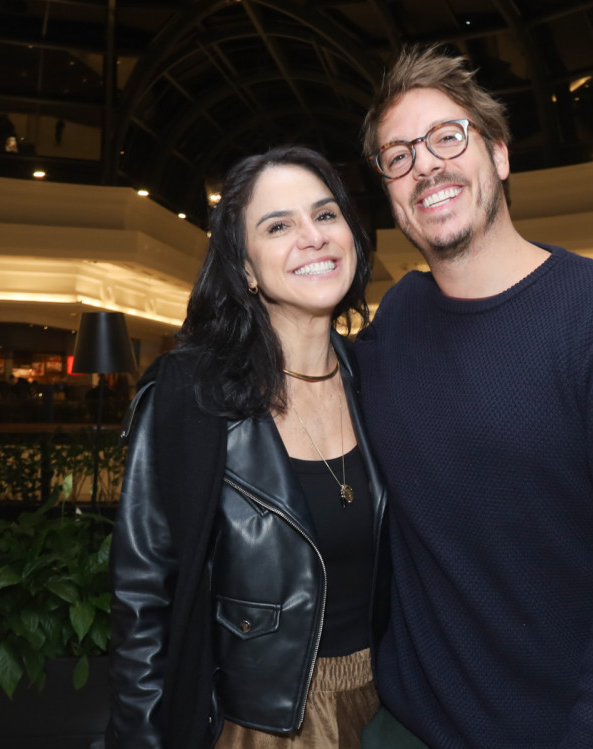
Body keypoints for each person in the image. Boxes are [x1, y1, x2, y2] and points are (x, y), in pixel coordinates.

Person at [354, 45, 593, 749]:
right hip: (404, 727)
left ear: (500, 155)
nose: (425, 165)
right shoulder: (397, 321)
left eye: (447, 137)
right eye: (398, 156)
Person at [106, 145, 386, 748]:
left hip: (391, 708)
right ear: (246, 269)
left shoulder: (380, 381)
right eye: (278, 226)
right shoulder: (190, 396)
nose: (313, 236)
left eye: (326, 214)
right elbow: (143, 598)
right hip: (260, 724)